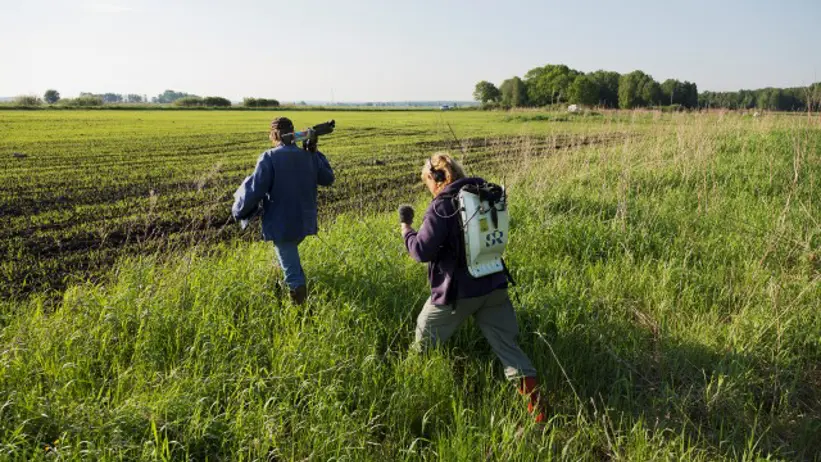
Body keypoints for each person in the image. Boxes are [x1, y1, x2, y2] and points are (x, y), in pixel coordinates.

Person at [399, 152, 545, 423]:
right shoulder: (486, 193)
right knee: (510, 351)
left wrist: (406, 228)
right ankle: (538, 416)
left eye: (428, 181)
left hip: (457, 292)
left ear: (437, 177)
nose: (429, 188)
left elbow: (421, 251)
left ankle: (408, 402)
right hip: (494, 283)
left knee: (423, 339)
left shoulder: (442, 205)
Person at [232, 117, 335, 305]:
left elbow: (255, 190)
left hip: (282, 224)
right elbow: (328, 178)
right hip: (304, 222)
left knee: (292, 271)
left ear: (273, 135)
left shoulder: (269, 157)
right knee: (288, 259)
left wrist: (239, 211)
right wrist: (315, 152)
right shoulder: (308, 155)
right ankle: (283, 291)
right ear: (293, 133)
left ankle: (301, 313)